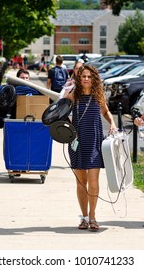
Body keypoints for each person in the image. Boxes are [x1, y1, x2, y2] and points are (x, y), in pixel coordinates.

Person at [63, 64, 116, 231]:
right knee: (81, 183)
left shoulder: (98, 96)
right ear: (79, 78)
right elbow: (60, 111)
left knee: (93, 182)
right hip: (77, 144)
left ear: (94, 79)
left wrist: (112, 124)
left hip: (94, 143)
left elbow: (106, 112)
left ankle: (93, 217)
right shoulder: (73, 96)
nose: (86, 79)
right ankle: (84, 217)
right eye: (83, 76)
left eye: (89, 76)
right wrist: (69, 127)